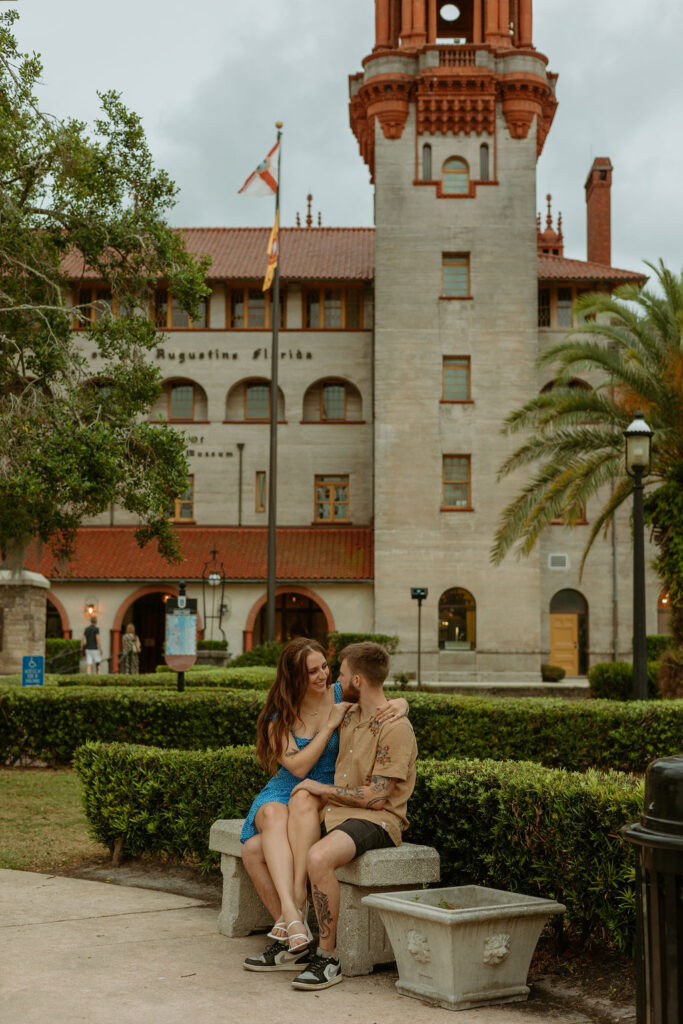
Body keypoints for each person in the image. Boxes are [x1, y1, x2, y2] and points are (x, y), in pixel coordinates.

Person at [241, 637, 408, 973]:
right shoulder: (280, 714)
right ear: (294, 677)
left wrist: (402, 703)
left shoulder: (339, 693)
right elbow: (298, 768)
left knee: (263, 843)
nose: (323, 675)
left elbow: (373, 691)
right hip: (287, 787)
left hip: (323, 795)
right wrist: (330, 724)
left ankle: (292, 926)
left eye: (325, 667)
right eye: (312, 671)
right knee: (264, 828)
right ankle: (291, 922)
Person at [287, 641, 417, 991]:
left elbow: (376, 797)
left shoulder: (395, 727)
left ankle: (327, 959)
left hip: (378, 820)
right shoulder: (348, 713)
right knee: (262, 845)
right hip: (340, 813)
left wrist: (318, 788)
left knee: (318, 857)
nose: (335, 679)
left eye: (341, 674)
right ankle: (288, 934)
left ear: (357, 679)